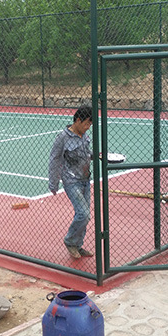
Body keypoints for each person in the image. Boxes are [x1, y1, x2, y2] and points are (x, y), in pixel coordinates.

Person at [48, 104, 96, 259]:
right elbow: (54, 160)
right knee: (83, 214)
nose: (88, 127)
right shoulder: (63, 137)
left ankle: (78, 245)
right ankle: (70, 241)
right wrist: (53, 182)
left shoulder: (84, 136)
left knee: (84, 216)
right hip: (71, 181)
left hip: (85, 179)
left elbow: (86, 153)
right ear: (78, 120)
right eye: (87, 123)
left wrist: (96, 155)